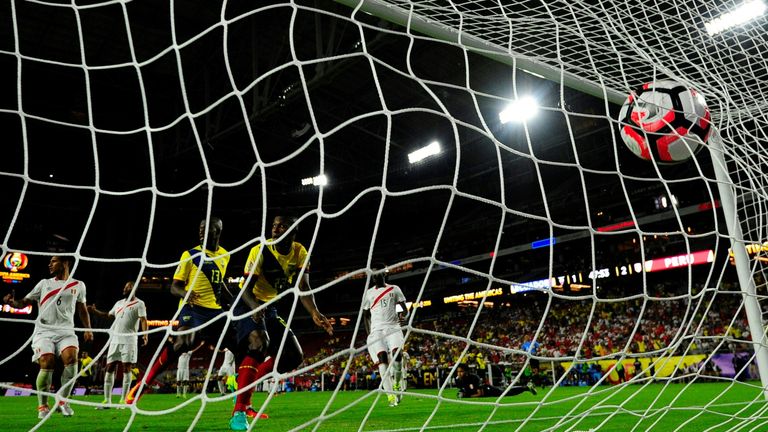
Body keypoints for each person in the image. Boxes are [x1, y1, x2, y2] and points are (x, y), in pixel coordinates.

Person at [229, 215, 333, 431]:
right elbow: (246, 286)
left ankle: (243, 382)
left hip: (269, 308)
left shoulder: (299, 252)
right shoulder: (261, 249)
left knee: (294, 356)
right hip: (247, 303)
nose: (275, 229)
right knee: (259, 344)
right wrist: (255, 308)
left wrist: (315, 312)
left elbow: (303, 286)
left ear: (292, 231)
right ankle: (238, 413)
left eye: (282, 226)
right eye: (274, 225)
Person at [126, 216, 230, 404]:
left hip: (214, 311)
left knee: (240, 344)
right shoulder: (189, 255)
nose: (201, 231)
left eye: (206, 228)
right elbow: (174, 287)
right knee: (183, 343)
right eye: (200, 227)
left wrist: (233, 302)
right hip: (191, 308)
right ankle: (143, 384)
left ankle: (243, 402)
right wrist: (185, 293)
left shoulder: (225, 255)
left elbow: (218, 282)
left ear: (218, 231)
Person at [2, 255, 94, 418]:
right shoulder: (44, 283)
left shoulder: (79, 285)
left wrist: (88, 329)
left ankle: (63, 402)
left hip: (66, 331)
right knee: (47, 361)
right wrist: (12, 303)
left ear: (65, 263)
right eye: (50, 262)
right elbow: (24, 302)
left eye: (54, 261)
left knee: (72, 359)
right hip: (44, 331)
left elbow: (82, 309)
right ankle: (43, 407)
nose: (49, 264)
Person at [88, 280, 148, 407]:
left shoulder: (139, 303)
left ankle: (123, 399)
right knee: (109, 367)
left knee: (126, 368)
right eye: (125, 287)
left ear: (134, 289)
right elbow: (108, 315)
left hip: (129, 340)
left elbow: (143, 320)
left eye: (128, 287)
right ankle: (107, 400)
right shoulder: (119, 303)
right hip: (115, 339)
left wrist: (145, 334)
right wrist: (95, 311)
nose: (125, 289)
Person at [362, 263, 407, 407]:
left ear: (384, 274)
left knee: (397, 355)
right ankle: (390, 396)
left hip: (393, 327)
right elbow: (365, 315)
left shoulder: (394, 289)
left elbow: (404, 308)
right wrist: (370, 333)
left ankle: (397, 383)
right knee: (382, 359)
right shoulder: (368, 293)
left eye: (379, 273)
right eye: (374, 274)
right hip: (377, 331)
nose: (376, 276)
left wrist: (403, 315)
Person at [455, 363, 536, 398]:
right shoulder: (458, 380)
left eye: (461, 371)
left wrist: (467, 396)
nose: (459, 373)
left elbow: (480, 394)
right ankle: (526, 387)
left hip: (489, 390)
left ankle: (526, 387)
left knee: (508, 393)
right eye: (458, 371)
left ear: (466, 372)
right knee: (507, 392)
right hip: (487, 392)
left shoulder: (473, 377)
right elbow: (463, 390)